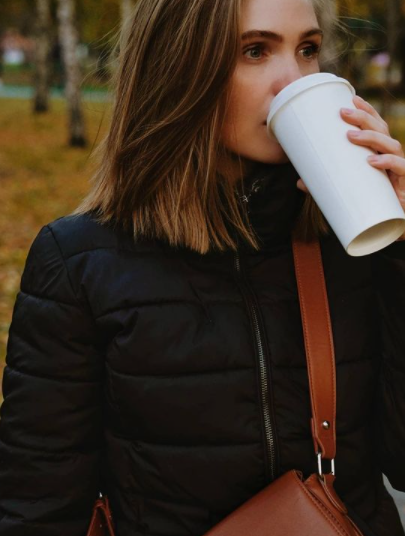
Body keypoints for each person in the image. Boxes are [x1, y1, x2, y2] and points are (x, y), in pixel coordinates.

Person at [0, 0, 405, 535]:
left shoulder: (352, 243)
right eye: (255, 51)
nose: (294, 79)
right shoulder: (81, 265)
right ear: (179, 67)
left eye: (308, 50)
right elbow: (39, 509)